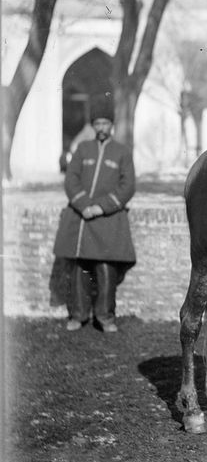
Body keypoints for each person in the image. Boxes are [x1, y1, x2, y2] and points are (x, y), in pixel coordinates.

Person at [53, 95, 137, 332]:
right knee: (79, 268)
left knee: (105, 269)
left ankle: (105, 317)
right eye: (97, 123)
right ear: (93, 125)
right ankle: (78, 315)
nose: (101, 128)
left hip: (107, 219)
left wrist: (101, 207)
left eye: (105, 124)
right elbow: (71, 179)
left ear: (112, 125)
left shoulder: (122, 152)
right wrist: (84, 205)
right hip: (81, 219)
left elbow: (127, 186)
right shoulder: (82, 149)